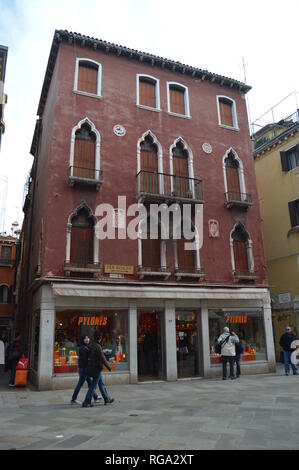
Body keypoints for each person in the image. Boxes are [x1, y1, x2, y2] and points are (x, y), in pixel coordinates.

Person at [82, 330, 114, 408]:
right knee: (93, 386)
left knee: (101, 384)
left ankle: (107, 399)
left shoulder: (92, 345)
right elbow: (102, 358)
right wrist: (109, 367)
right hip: (96, 368)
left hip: (93, 368)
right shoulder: (97, 346)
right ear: (100, 337)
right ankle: (87, 401)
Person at [70, 335, 102, 405]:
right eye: (85, 338)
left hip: (84, 369)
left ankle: (95, 397)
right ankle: (73, 399)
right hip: (83, 369)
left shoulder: (85, 347)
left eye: (88, 338)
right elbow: (85, 360)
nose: (87, 339)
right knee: (80, 384)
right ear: (82, 340)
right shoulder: (83, 348)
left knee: (90, 383)